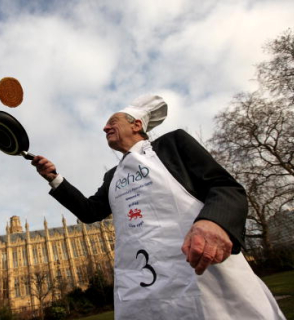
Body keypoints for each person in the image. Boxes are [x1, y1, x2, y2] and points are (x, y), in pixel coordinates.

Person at [31, 95, 285, 320]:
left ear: (137, 124)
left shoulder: (172, 144)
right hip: (140, 286)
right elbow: (89, 212)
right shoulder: (113, 175)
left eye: (113, 122)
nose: (105, 127)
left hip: (198, 270)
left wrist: (214, 222)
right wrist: (53, 177)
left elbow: (225, 188)